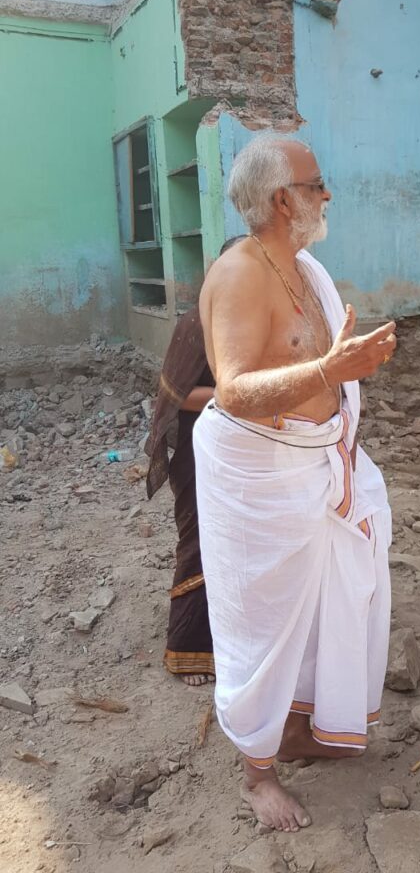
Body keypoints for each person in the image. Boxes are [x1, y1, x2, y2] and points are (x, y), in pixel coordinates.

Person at [193, 137, 397, 832]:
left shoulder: (306, 268)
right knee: (265, 622)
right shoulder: (239, 275)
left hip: (317, 459)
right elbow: (234, 389)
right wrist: (328, 374)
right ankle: (258, 774)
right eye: (318, 184)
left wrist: (344, 379)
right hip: (258, 475)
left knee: (329, 603)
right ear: (283, 199)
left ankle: (306, 724)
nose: (327, 194)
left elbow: (329, 364)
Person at [145, 236, 247, 686]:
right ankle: (186, 648)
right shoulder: (195, 324)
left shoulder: (257, 321)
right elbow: (175, 396)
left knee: (243, 545)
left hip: (248, 452)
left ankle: (237, 637)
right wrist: (237, 397)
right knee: (201, 542)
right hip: (202, 452)